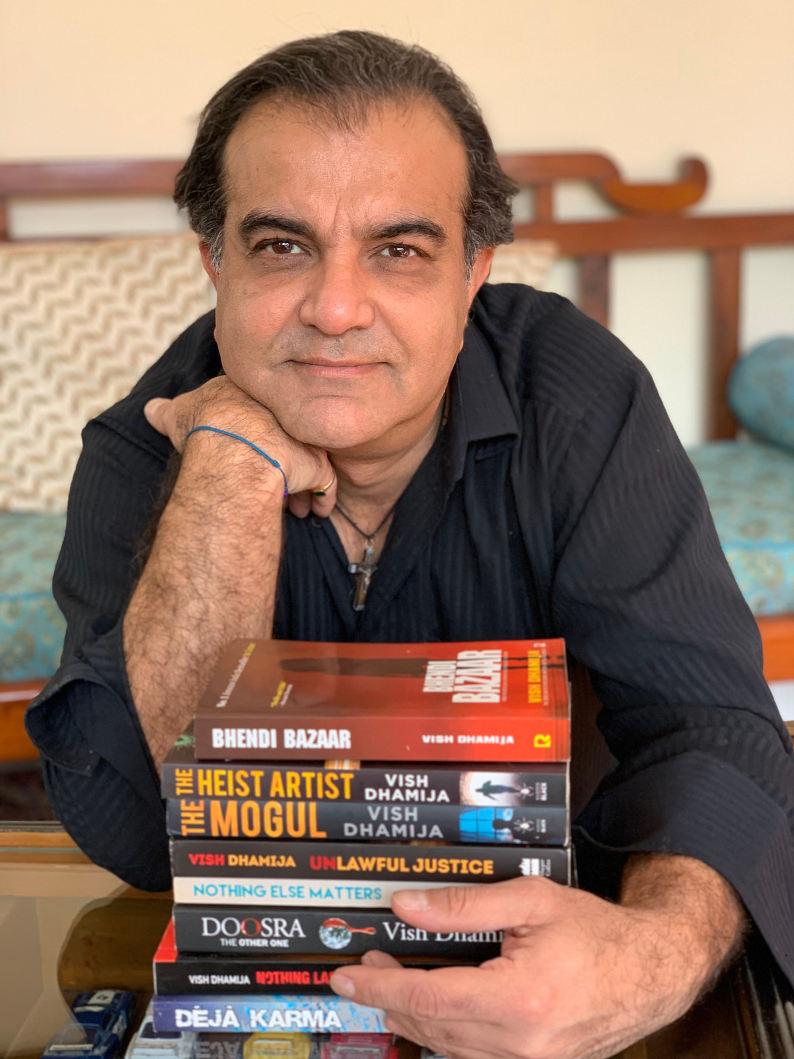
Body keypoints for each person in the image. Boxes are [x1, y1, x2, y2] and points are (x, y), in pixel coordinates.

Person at [26, 30, 793, 1059]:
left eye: (398, 250)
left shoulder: (575, 395)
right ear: (215, 260)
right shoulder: (147, 446)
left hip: (551, 949)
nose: (335, 310)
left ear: (474, 270)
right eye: (281, 245)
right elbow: (137, 825)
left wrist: (649, 957)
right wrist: (228, 463)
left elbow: (711, 727)